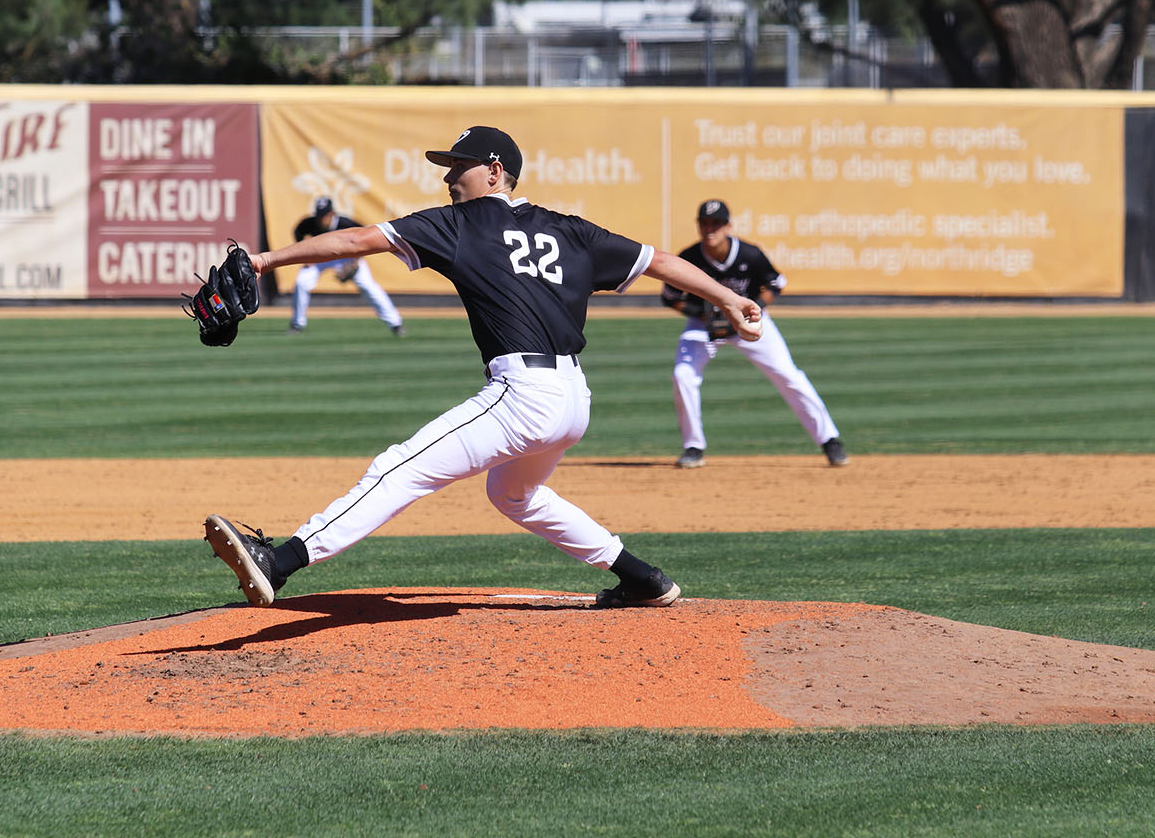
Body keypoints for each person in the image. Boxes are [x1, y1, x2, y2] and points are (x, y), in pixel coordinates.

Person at [204, 126, 762, 610]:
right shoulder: (570, 229)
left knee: (401, 466)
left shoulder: (461, 224)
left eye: (459, 167)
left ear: (495, 172)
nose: (449, 179)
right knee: (514, 495)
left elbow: (357, 240)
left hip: (523, 395)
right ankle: (642, 579)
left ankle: (279, 561)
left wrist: (264, 260)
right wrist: (730, 301)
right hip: (573, 401)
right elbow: (659, 261)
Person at [662, 199, 848, 469]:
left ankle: (830, 440)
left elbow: (775, 284)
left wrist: (752, 309)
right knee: (683, 375)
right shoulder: (690, 258)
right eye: (705, 223)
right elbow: (670, 297)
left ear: (728, 226)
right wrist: (703, 313)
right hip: (704, 328)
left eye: (716, 223)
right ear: (698, 226)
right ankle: (693, 446)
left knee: (787, 374)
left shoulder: (749, 254)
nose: (710, 229)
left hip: (751, 323)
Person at [287, 196, 405, 336]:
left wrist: (355, 261)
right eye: (319, 216)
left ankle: (395, 323)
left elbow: (366, 238)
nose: (321, 219)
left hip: (347, 257)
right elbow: (298, 233)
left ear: (332, 214)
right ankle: (297, 324)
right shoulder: (310, 223)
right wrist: (305, 257)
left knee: (368, 286)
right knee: (302, 282)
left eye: (324, 216)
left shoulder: (345, 223)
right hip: (321, 256)